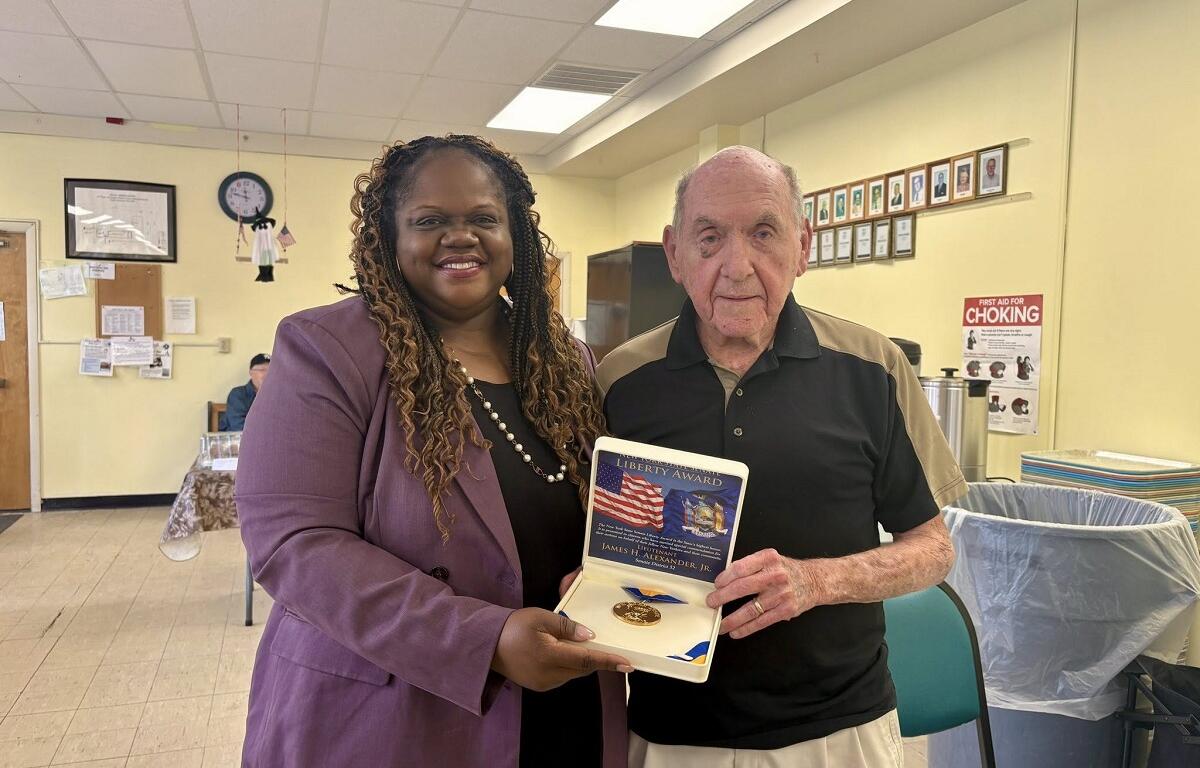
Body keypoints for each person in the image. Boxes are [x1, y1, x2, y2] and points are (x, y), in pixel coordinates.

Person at [236, 135, 631, 767]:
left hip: (563, 699)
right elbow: (293, 541)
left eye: (483, 219)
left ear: (516, 237)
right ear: (389, 239)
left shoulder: (566, 360)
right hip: (394, 713)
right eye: (430, 221)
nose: (460, 237)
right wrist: (487, 642)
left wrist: (606, 576)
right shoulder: (330, 349)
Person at [595, 147, 964, 767]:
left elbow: (933, 550)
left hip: (840, 731)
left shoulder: (873, 370)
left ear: (803, 247)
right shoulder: (619, 382)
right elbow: (592, 542)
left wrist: (817, 581)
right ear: (675, 254)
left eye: (764, 233)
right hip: (671, 732)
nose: (737, 266)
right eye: (709, 237)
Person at [219, 353, 270, 431]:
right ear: (251, 372)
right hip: (241, 441)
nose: (267, 374)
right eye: (262, 370)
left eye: (271, 370)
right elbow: (239, 427)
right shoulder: (238, 395)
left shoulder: (277, 397)